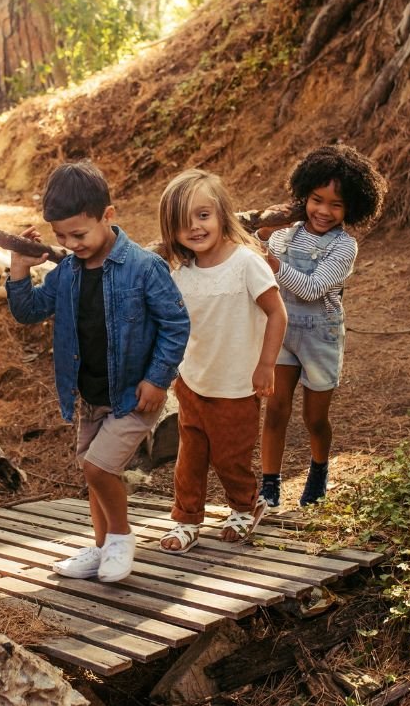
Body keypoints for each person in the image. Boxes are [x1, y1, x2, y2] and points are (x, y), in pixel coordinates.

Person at [7, 161, 190, 583]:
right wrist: (19, 267)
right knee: (93, 473)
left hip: (134, 394)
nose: (71, 244)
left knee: (98, 468)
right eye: (61, 237)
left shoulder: (144, 268)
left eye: (79, 234)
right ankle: (102, 545)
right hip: (90, 397)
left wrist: (158, 378)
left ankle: (122, 538)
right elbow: (29, 310)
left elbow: (176, 324)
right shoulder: (67, 273)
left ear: (108, 216)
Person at [157, 169, 288, 553]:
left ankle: (246, 505)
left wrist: (266, 364)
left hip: (236, 384)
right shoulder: (181, 274)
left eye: (202, 215)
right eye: (183, 222)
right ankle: (185, 519)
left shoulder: (246, 263)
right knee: (190, 457)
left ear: (221, 214)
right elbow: (178, 328)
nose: (195, 227)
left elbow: (277, 314)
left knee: (230, 457)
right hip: (193, 381)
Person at [259, 144, 387, 509]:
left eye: (336, 204)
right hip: (281, 329)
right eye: (317, 200)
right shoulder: (284, 234)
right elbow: (252, 250)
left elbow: (314, 288)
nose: (324, 211)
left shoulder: (345, 246)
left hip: (321, 335)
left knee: (315, 418)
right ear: (303, 197)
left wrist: (270, 261)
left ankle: (318, 470)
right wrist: (263, 232)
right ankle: (269, 484)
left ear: (352, 208)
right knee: (276, 409)